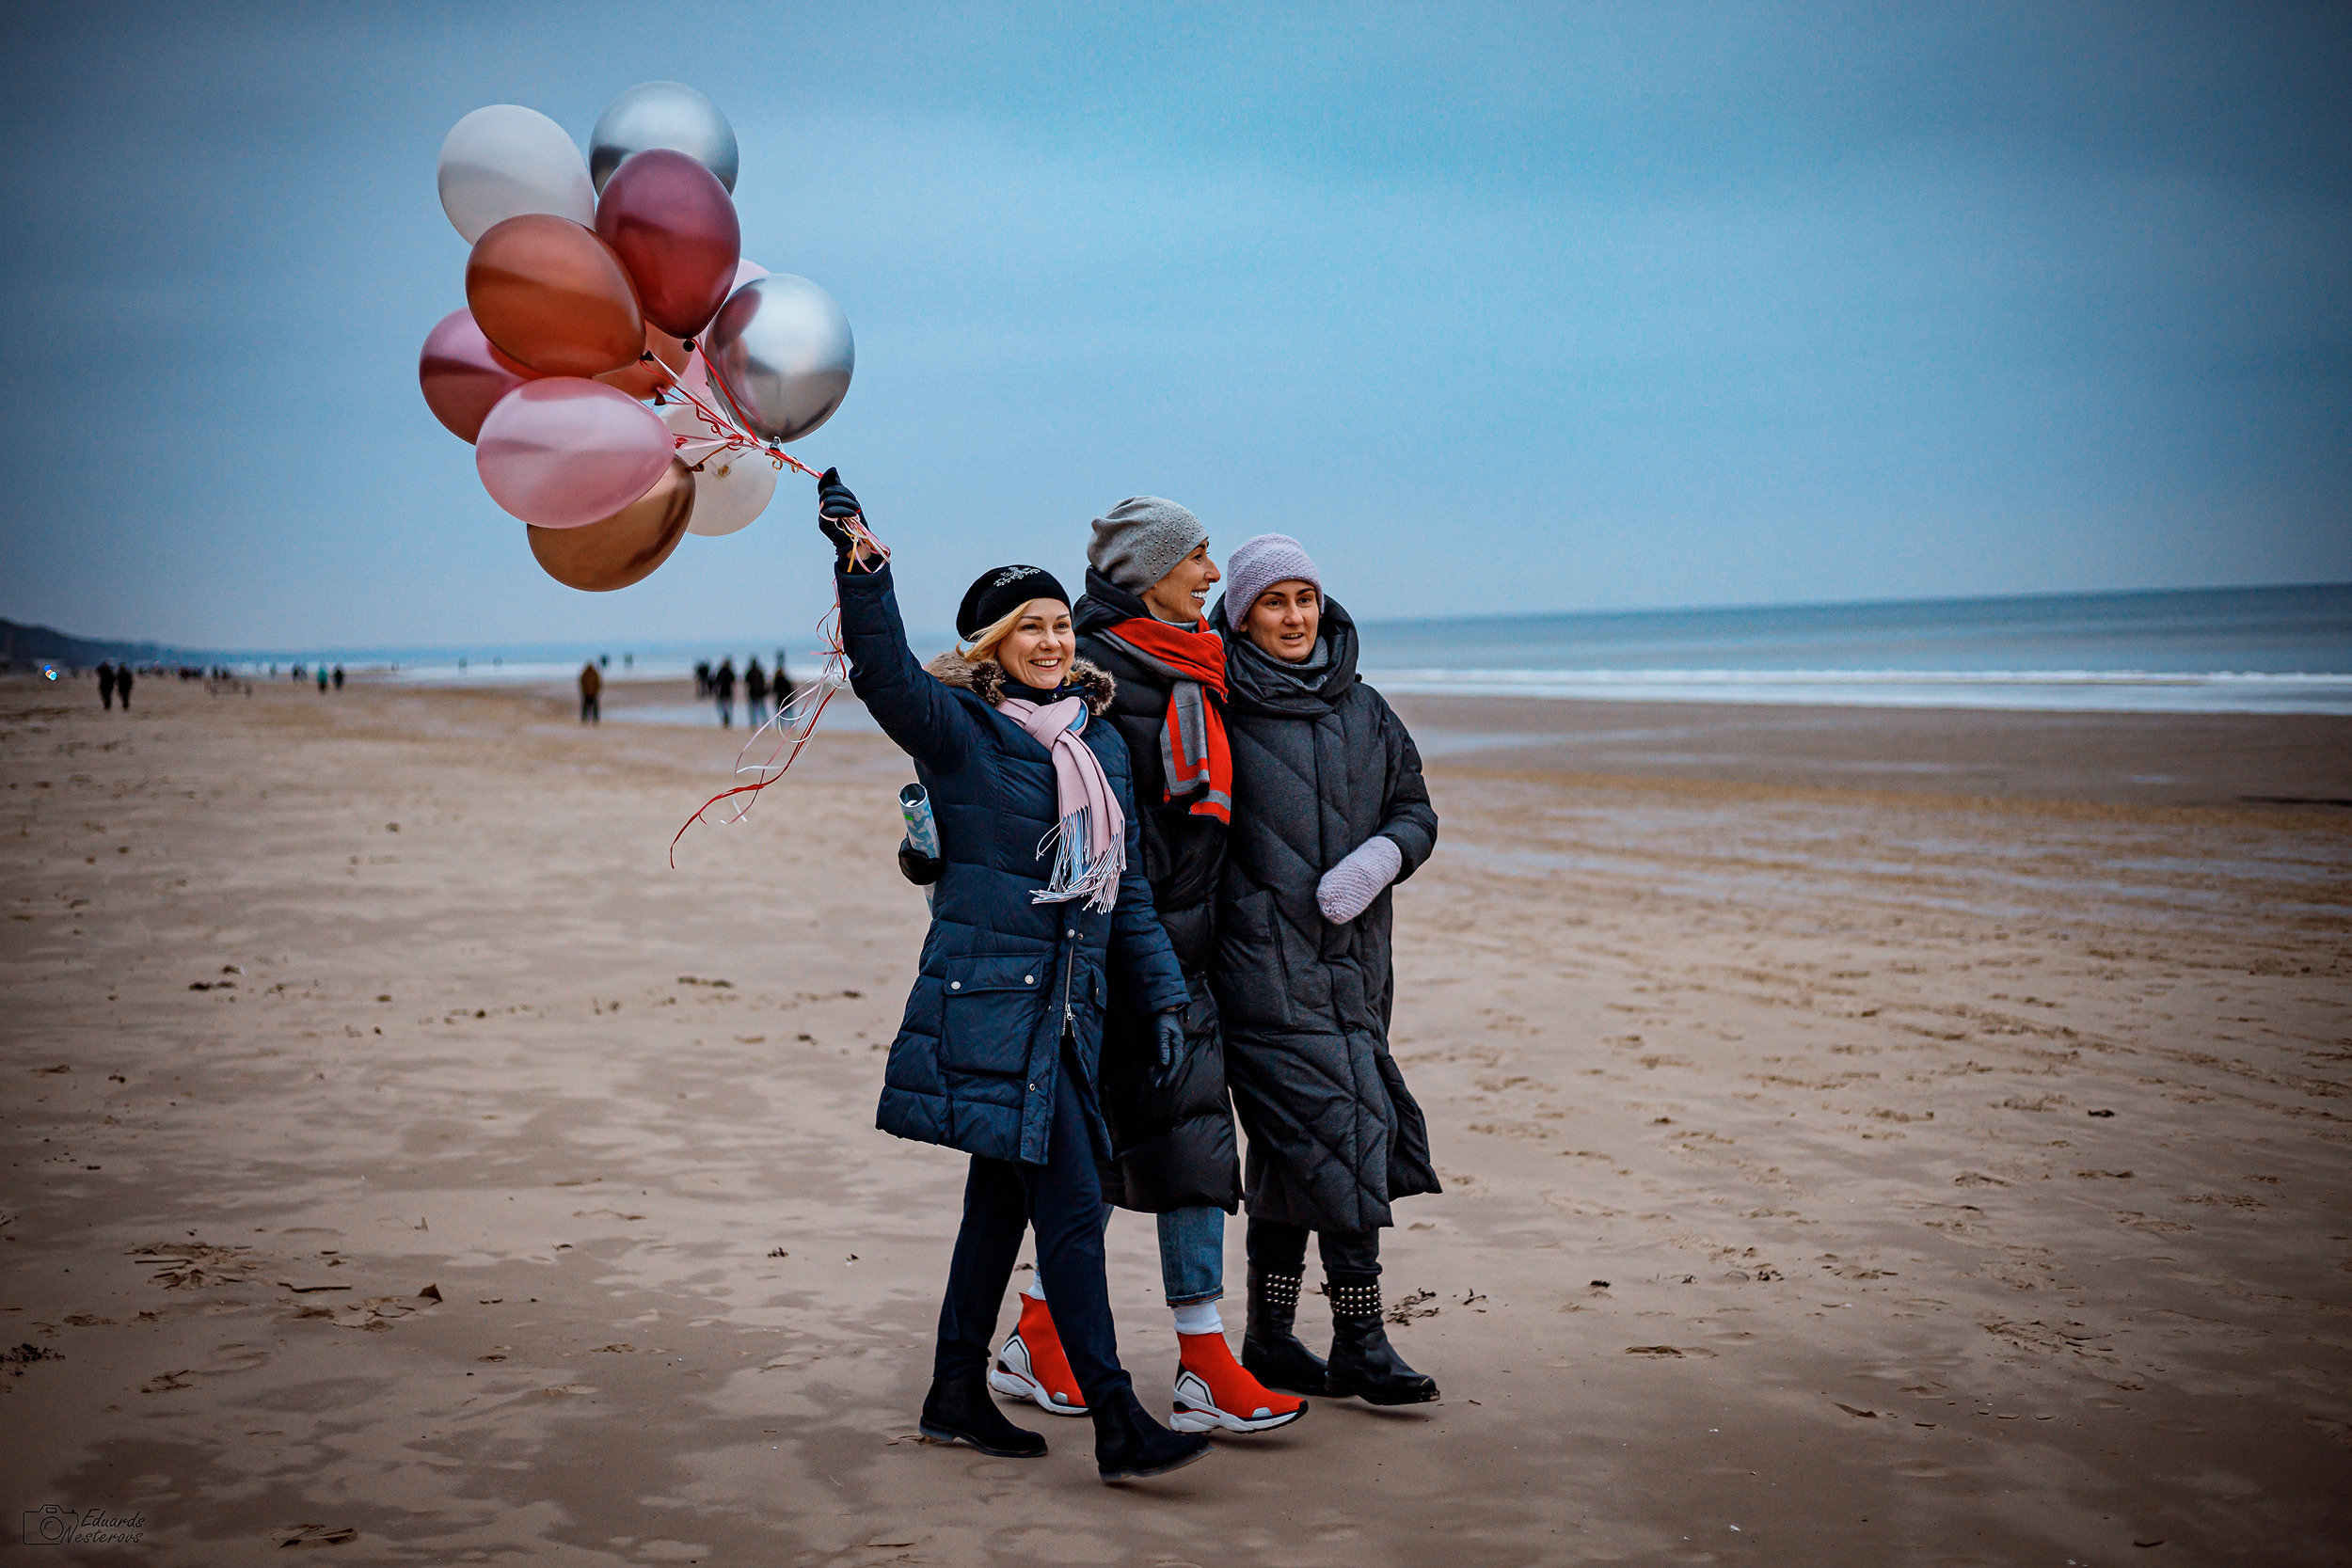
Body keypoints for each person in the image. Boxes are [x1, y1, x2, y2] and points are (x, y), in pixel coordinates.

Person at [818, 467, 1213, 1483]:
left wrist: (1163, 994)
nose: (1051, 641)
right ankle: (1119, 1418)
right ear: (994, 647)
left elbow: (1120, 895)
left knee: (997, 1208)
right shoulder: (964, 736)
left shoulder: (1097, 748)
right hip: (994, 1010)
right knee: (1072, 1211)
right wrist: (862, 571)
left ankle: (955, 1393)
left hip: (1071, 1016)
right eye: (1027, 627)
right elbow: (886, 677)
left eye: (1058, 623)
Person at [977, 498, 1304, 1438]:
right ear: (1145, 568)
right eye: (1195, 555)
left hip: (1198, 952)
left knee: (1170, 1144)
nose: (1211, 571)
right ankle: (1183, 1358)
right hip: (1113, 950)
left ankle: (1046, 1335)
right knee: (1127, 1152)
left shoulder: (1211, 665)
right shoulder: (1089, 675)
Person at [1212, 534, 1443, 1406]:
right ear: (1242, 613)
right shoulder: (1215, 703)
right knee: (1346, 1132)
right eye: (1275, 602)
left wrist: (1383, 856)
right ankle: (1360, 1340)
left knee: (1290, 1149)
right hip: (1259, 973)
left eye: (1306, 598)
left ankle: (1270, 1336)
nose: (1296, 617)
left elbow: (1417, 809)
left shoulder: (1366, 707)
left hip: (1359, 970)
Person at [744, 657, 769, 726]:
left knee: (753, 710)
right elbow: (763, 682)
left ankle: (754, 723)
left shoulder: (749, 672)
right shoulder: (760, 671)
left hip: (753, 693)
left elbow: (746, 682)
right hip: (760, 693)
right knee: (762, 709)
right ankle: (765, 722)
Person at [712, 657, 736, 728]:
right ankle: (728, 720)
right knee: (729, 707)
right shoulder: (730, 671)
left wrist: (716, 692)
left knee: (723, 707)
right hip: (728, 691)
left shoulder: (721, 671)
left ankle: (725, 719)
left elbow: (717, 682)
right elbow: (733, 683)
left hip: (722, 691)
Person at [579, 660, 602, 724]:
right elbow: (598, 683)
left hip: (588, 692)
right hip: (590, 693)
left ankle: (587, 718)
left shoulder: (586, 673)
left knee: (588, 707)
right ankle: (592, 718)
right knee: (590, 707)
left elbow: (581, 682)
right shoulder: (593, 674)